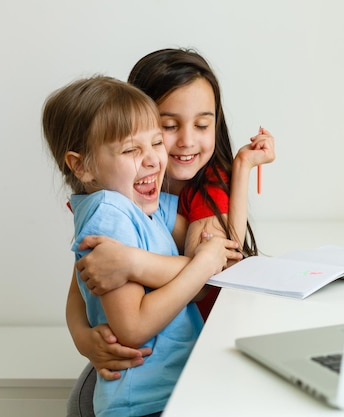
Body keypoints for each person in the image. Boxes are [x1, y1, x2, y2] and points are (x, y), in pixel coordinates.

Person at [65, 49, 275, 416]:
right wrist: (84, 339)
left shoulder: (204, 188)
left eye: (202, 124)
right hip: (140, 369)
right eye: (169, 125)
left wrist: (131, 262)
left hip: (189, 355)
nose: (187, 141)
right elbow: (83, 279)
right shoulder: (116, 197)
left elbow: (212, 271)